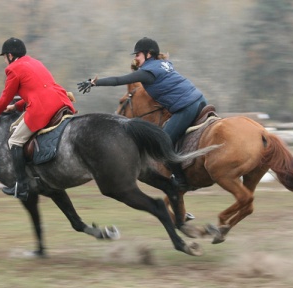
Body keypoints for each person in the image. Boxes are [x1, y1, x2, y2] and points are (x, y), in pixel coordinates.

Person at [77, 37, 208, 190]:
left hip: (186, 107)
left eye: (137, 54)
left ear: (149, 54)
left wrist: (94, 82)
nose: (135, 58)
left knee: (162, 142)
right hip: (200, 100)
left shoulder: (147, 73)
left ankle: (180, 180)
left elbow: (119, 80)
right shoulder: (164, 64)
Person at [0, 37, 76, 200]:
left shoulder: (13, 69)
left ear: (10, 55)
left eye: (5, 57)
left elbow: (5, 97)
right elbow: (37, 90)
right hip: (59, 101)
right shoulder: (36, 63)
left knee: (14, 141)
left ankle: (21, 185)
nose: (5, 61)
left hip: (43, 109)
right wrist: (16, 106)